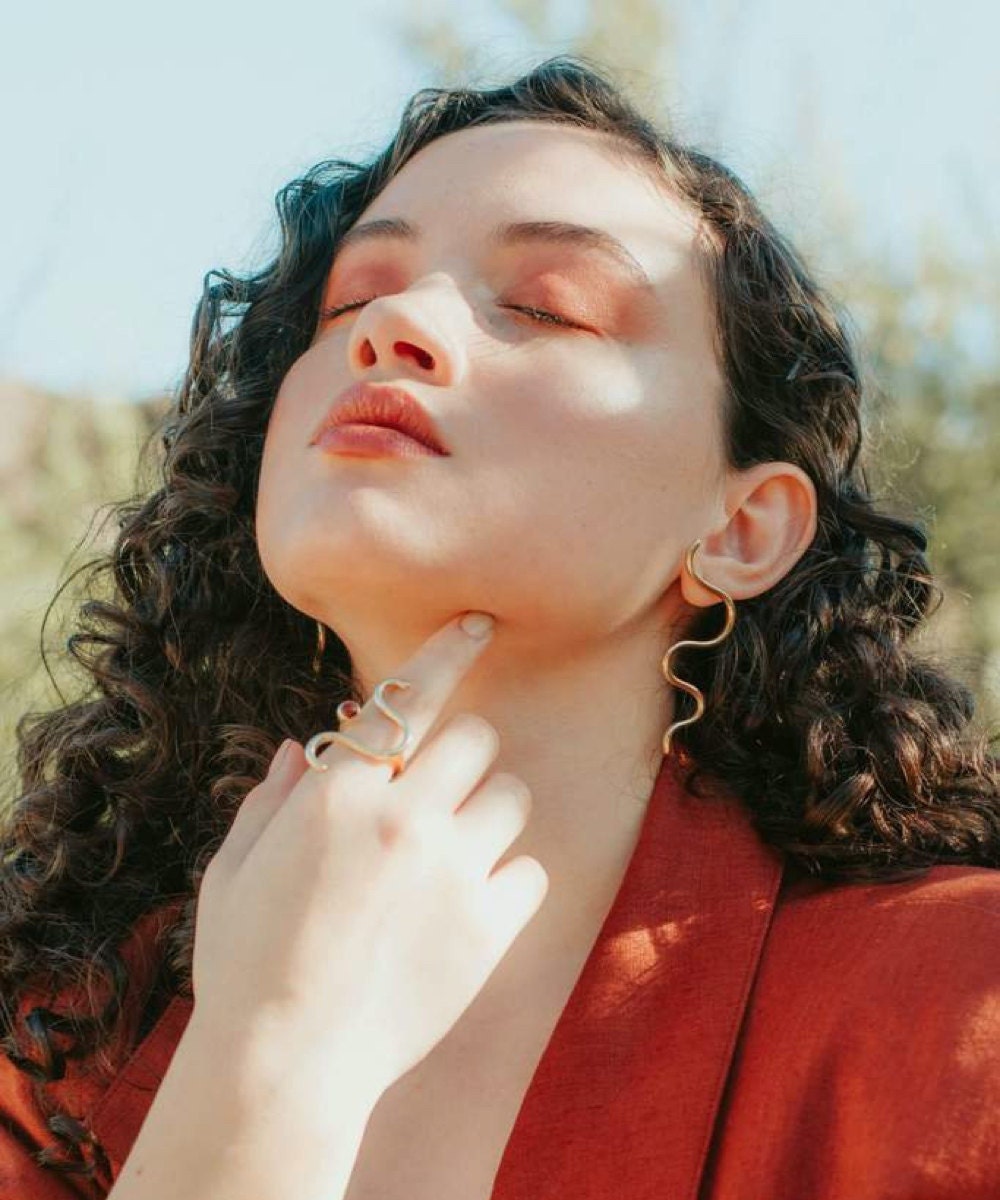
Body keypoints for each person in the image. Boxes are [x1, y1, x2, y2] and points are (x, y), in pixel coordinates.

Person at [1, 53, 998, 1200]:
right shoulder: (59, 1057)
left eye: (545, 306)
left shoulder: (958, 1011)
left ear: (741, 528)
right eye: (352, 301)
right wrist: (263, 1063)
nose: (398, 327)